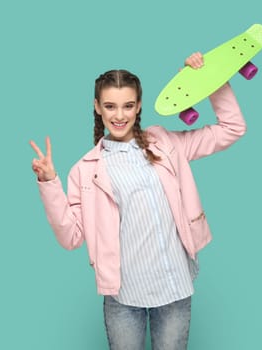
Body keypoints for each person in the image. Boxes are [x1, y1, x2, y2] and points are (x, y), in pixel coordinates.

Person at [30, 52, 247, 349]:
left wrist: (210, 78)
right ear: (97, 108)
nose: (119, 115)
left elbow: (232, 129)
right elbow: (71, 237)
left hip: (174, 288)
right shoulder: (85, 170)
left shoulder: (165, 144)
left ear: (139, 106)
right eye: (110, 106)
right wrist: (49, 182)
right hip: (123, 297)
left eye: (127, 105)